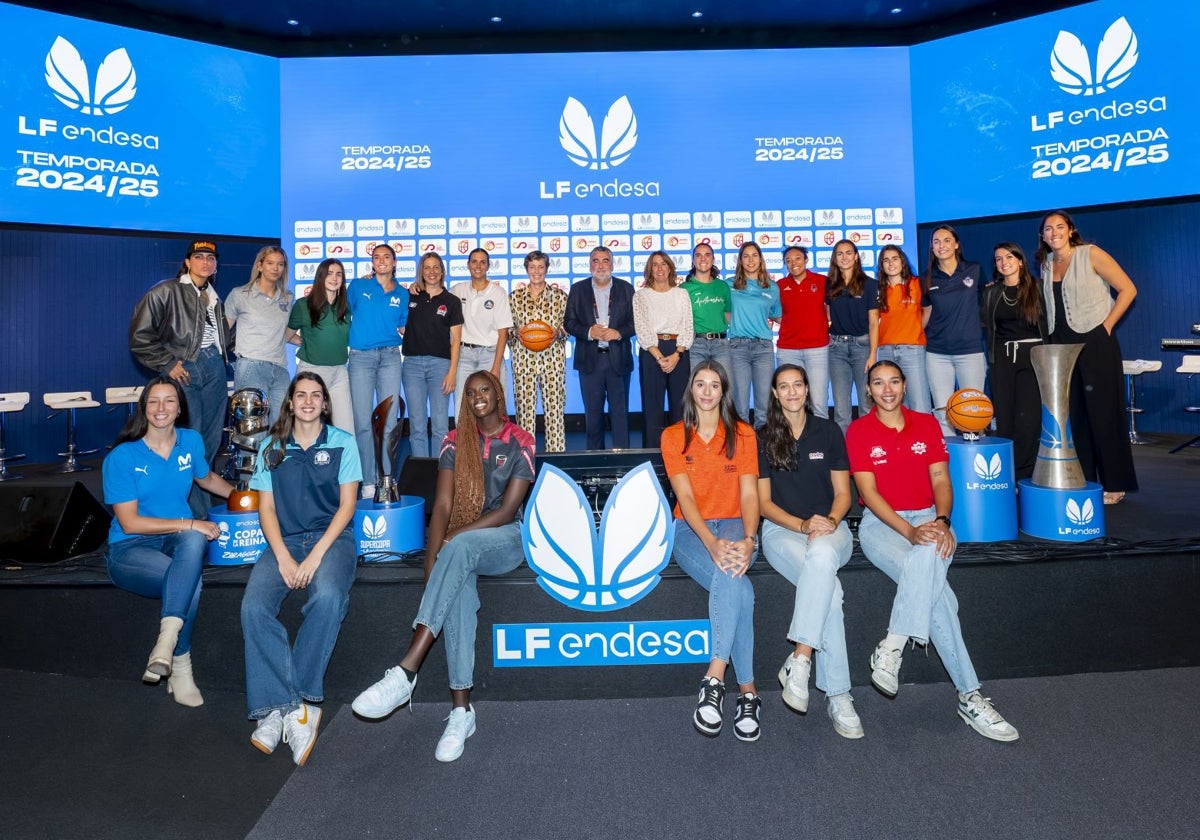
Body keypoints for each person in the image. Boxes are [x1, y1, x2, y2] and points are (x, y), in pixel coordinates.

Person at [353, 371, 535, 762]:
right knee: (459, 598)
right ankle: (461, 711)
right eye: (470, 394)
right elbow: (444, 507)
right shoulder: (454, 441)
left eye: (485, 390)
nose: (478, 397)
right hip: (460, 547)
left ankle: (406, 671)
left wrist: (455, 540)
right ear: (464, 401)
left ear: (498, 394)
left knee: (463, 547)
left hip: (506, 540)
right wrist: (431, 563)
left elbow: (506, 511)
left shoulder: (521, 440)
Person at [846, 360, 1019, 743]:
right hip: (883, 525)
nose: (887, 389)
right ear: (868, 390)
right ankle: (969, 696)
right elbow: (869, 495)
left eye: (894, 381)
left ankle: (892, 645)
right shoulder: (858, 431)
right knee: (940, 598)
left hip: (931, 517)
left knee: (930, 564)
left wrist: (940, 521)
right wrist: (909, 530)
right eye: (878, 383)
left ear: (905, 385)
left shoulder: (926, 424)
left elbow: (941, 478)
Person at [240, 372, 362, 766]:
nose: (308, 401)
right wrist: (284, 557)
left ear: (325, 403)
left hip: (332, 541)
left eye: (315, 395)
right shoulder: (272, 447)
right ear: (289, 403)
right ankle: (286, 705)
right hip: (285, 543)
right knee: (253, 608)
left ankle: (297, 703)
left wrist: (313, 558)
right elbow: (267, 509)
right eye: (300, 395)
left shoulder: (343, 443)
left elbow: (346, 508)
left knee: (327, 597)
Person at [101, 376, 233, 707]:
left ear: (179, 408)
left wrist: (246, 498)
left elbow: (206, 479)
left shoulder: (190, 441)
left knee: (191, 542)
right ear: (144, 409)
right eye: (154, 401)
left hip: (175, 541)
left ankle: (165, 644)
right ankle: (181, 665)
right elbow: (130, 523)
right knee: (190, 579)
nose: (162, 408)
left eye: (169, 401)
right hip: (129, 549)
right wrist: (190, 521)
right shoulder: (122, 457)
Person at [757, 364, 861, 739]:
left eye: (797, 385)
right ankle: (839, 695)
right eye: (783, 387)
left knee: (821, 556)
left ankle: (800, 659)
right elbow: (764, 504)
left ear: (807, 388)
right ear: (774, 394)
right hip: (783, 532)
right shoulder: (763, 437)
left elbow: (844, 495)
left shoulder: (829, 430)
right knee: (830, 594)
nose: (791, 392)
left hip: (831, 530)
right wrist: (802, 525)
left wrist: (829, 522)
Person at [660, 361, 761, 740]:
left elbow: (750, 493)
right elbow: (684, 498)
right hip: (691, 528)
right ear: (691, 391)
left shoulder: (744, 435)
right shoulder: (673, 436)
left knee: (733, 574)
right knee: (739, 588)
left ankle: (714, 678)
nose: (706, 391)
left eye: (713, 385)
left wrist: (749, 539)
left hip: (736, 522)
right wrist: (711, 542)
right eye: (699, 384)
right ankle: (748, 691)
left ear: (723, 391)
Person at [1037, 210, 1138, 503]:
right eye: (1047, 229)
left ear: (1070, 230)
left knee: (1104, 414)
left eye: (1059, 227)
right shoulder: (1046, 264)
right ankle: (1087, 479)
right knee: (1076, 417)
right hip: (1063, 347)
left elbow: (1128, 289)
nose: (1053, 232)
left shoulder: (1090, 253)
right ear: (1042, 236)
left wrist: (1106, 326)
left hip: (1095, 341)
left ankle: (1115, 484)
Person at [128, 239, 231, 516]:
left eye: (211, 258)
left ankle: (198, 507)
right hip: (185, 369)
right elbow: (140, 337)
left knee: (208, 444)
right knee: (187, 441)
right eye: (199, 257)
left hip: (215, 369)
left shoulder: (214, 297)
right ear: (187, 262)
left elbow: (220, 337)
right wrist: (168, 363)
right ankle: (185, 511)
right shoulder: (166, 291)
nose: (205, 262)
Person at [348, 244, 409, 497]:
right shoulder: (358, 286)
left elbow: (404, 328)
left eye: (387, 257)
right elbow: (344, 312)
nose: (382, 261)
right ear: (372, 263)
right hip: (361, 358)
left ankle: (386, 478)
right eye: (377, 257)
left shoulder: (403, 294)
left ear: (394, 263)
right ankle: (368, 481)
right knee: (363, 422)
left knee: (389, 421)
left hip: (391, 358)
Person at [983, 243, 1047, 480]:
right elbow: (987, 326)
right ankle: (1007, 473)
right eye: (998, 258)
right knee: (1006, 417)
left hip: (1033, 358)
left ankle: (1025, 474)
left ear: (1020, 260)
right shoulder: (991, 292)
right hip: (1001, 359)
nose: (1003, 262)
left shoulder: (1038, 288)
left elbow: (1050, 323)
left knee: (1028, 420)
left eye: (1009, 257)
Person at [564, 246, 636, 449]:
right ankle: (596, 464)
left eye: (605, 261)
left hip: (618, 360)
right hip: (590, 360)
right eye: (596, 260)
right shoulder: (578, 289)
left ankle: (623, 464)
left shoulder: (626, 288)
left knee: (620, 416)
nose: (601, 265)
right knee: (593, 417)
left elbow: (636, 322)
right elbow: (569, 322)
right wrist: (588, 331)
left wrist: (619, 332)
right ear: (590, 265)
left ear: (612, 265)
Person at [922, 225, 986, 434]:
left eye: (947, 240)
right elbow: (925, 313)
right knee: (942, 413)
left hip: (970, 351)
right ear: (932, 248)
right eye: (937, 242)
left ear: (956, 244)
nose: (942, 246)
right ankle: (949, 463)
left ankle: (975, 462)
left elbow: (987, 302)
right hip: (937, 353)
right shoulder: (927, 278)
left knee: (974, 412)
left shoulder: (974, 269)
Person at [403, 252, 464, 457]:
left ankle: (441, 475)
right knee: (417, 425)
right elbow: (387, 291)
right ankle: (422, 473)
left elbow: (455, 340)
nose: (432, 272)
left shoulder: (452, 301)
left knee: (439, 426)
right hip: (411, 366)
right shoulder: (410, 296)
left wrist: (452, 372)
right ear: (421, 271)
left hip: (440, 366)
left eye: (436, 267)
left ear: (442, 271)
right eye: (427, 267)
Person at [225, 246, 294, 426]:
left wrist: (311, 342)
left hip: (280, 369)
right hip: (251, 366)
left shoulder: (288, 298)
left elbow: (284, 334)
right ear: (260, 265)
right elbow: (223, 332)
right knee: (251, 431)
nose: (275, 268)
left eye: (280, 264)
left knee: (281, 429)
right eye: (270, 263)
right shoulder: (240, 294)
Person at [508, 250, 568, 452]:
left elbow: (569, 327)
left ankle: (557, 460)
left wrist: (557, 332)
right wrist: (516, 332)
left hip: (553, 362)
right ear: (526, 269)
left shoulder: (560, 297)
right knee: (524, 414)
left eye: (540, 267)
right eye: (532, 267)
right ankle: (526, 461)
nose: (536, 271)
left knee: (555, 413)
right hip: (523, 362)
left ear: (547, 269)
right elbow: (506, 330)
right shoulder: (514, 297)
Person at [633, 251, 693, 449]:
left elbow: (687, 326)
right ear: (649, 269)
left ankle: (681, 454)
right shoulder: (641, 296)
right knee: (652, 409)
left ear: (670, 268)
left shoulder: (681, 294)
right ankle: (652, 457)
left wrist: (677, 354)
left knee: (680, 408)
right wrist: (659, 357)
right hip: (652, 352)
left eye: (663, 264)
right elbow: (641, 328)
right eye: (655, 264)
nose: (659, 268)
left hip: (678, 351)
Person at [287, 258, 353, 432]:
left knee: (346, 428)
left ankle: (344, 460)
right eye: (329, 273)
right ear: (320, 277)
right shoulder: (303, 305)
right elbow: (287, 335)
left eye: (339, 274)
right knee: (306, 426)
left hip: (339, 371)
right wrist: (301, 340)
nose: (334, 278)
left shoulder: (346, 306)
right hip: (311, 371)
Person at [451, 248, 513, 412]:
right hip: (463, 355)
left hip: (490, 355)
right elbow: (435, 296)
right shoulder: (458, 290)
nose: (478, 265)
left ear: (488, 266)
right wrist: (416, 286)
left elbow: (503, 334)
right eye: (474, 261)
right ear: (468, 265)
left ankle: (494, 440)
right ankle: (465, 439)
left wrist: (496, 367)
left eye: (482, 262)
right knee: (462, 407)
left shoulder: (498, 293)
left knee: (495, 408)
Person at [870, 245, 930, 413]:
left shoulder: (917, 284)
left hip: (913, 349)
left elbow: (928, 311)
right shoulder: (877, 290)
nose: (891, 263)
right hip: (886, 350)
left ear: (902, 261)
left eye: (895, 259)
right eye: (886, 260)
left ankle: (923, 439)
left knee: (919, 403)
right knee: (894, 404)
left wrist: (915, 330)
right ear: (881, 265)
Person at [727, 242, 781, 426]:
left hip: (763, 348)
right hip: (737, 348)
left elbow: (779, 316)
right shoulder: (728, 285)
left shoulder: (772, 287)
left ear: (760, 259)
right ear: (740, 261)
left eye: (754, 255)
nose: (750, 260)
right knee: (740, 406)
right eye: (746, 256)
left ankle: (764, 450)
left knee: (764, 407)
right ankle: (743, 450)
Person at [826, 239, 877, 433]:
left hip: (862, 347)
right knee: (841, 408)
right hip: (836, 348)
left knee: (866, 405)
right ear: (835, 259)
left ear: (856, 257)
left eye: (849, 253)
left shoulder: (870, 284)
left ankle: (868, 451)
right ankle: (843, 456)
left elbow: (874, 322)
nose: (844, 257)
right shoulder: (829, 284)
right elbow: (827, 314)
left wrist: (873, 354)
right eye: (840, 254)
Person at [776, 246, 831, 419]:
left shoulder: (822, 281)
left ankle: (821, 444)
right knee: (790, 403)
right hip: (788, 350)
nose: (793, 263)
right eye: (789, 261)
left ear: (806, 260)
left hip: (817, 349)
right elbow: (774, 313)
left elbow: (829, 311)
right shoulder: (780, 286)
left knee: (819, 402)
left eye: (798, 258)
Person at [679, 242, 732, 375]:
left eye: (707, 255)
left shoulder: (723, 286)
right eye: (698, 255)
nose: (703, 258)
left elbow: (727, 314)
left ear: (713, 259)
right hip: (695, 345)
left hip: (721, 345)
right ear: (693, 260)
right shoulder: (684, 289)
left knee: (725, 387)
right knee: (696, 387)